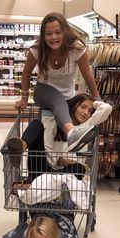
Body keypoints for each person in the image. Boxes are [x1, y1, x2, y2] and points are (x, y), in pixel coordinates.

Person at [15, 11, 101, 152]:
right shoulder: (37, 49)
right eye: (48, 34)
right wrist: (24, 98)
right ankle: (72, 134)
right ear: (43, 35)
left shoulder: (75, 48)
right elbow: (26, 72)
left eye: (57, 32)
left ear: (65, 32)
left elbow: (87, 75)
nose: (53, 37)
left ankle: (53, 158)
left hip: (69, 96)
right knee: (58, 101)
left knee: (55, 127)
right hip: (43, 90)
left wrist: (97, 100)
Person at [8, 93, 112, 181]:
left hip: (61, 175)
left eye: (90, 111)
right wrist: (59, 161)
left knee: (79, 169)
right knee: (37, 124)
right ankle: (20, 147)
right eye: (83, 107)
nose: (85, 113)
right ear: (74, 106)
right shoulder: (57, 122)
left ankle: (41, 186)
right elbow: (46, 148)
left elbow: (107, 108)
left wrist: (94, 102)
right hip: (41, 170)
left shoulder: (86, 127)